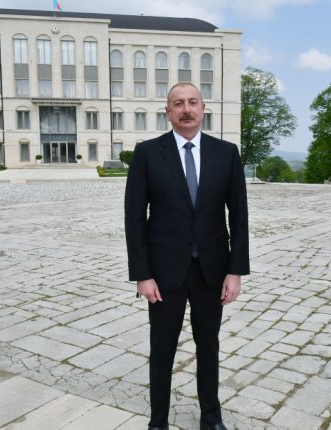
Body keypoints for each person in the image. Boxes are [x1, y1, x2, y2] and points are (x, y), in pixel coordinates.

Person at [124, 82, 249, 430]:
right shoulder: (148, 153)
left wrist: (235, 271)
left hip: (212, 271)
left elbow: (239, 217)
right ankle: (158, 422)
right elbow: (135, 219)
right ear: (168, 112)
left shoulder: (226, 153)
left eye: (193, 102)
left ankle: (211, 418)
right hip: (164, 274)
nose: (186, 109)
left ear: (203, 108)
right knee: (162, 349)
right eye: (178, 104)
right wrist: (142, 275)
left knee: (208, 347)